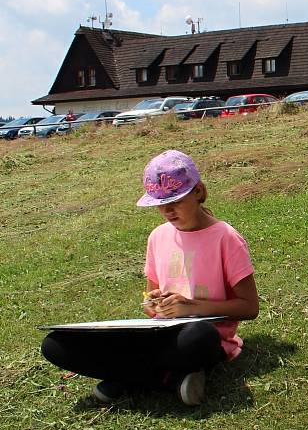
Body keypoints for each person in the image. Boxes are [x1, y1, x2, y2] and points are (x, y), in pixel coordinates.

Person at [41, 150, 259, 405]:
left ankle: (124, 377)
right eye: (159, 204)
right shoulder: (158, 237)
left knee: (199, 336)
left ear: (198, 192)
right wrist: (152, 302)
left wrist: (191, 307)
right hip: (160, 335)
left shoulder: (226, 237)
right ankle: (169, 380)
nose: (167, 211)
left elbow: (249, 307)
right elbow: (150, 300)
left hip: (202, 336)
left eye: (175, 201)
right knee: (55, 344)